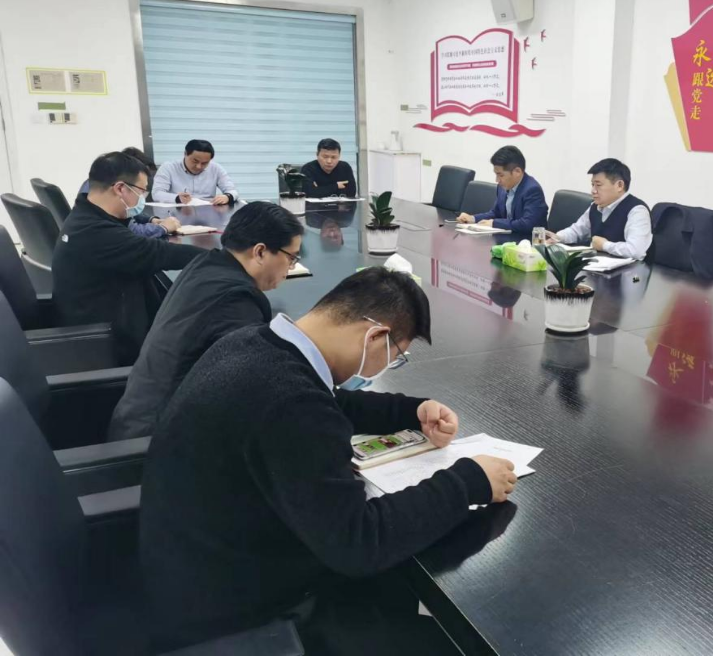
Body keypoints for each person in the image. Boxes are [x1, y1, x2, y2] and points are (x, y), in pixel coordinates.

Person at [140, 267, 518, 652]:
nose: (387, 366)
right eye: (396, 357)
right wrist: (468, 481)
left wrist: (411, 411)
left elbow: (328, 402)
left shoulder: (254, 342)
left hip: (195, 568)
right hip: (239, 612)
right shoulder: (292, 403)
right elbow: (359, 543)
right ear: (375, 337)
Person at [106, 201, 304, 442]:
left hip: (137, 419)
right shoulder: (236, 301)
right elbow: (252, 386)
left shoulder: (206, 266)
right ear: (260, 252)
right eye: (291, 257)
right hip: (157, 444)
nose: (290, 267)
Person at [53, 152, 205, 364]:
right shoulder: (96, 232)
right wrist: (223, 257)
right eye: (141, 191)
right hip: (110, 343)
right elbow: (158, 253)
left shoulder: (85, 216)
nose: (143, 199)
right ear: (120, 189)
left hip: (110, 315)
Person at [546, 158, 652, 260]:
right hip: (599, 265)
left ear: (619, 185)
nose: (593, 191)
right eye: (592, 185)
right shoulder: (595, 206)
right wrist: (558, 237)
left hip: (629, 270)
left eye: (598, 185)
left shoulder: (637, 210)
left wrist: (605, 245)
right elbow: (577, 231)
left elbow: (636, 250)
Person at [79, 147, 182, 238]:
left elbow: (130, 216)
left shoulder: (100, 182)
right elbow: (132, 231)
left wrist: (151, 219)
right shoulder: (105, 193)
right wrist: (163, 228)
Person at [456, 146, 549, 232]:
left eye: (501, 175)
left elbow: (528, 224)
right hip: (508, 238)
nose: (497, 180)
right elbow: (495, 213)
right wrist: (473, 218)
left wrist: (495, 223)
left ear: (517, 171)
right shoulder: (502, 187)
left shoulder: (532, 190)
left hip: (528, 242)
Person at [152, 139, 238, 205]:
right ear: (185, 154)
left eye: (204, 163)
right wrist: (177, 198)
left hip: (207, 212)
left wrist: (227, 197)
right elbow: (157, 193)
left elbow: (232, 191)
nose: (199, 166)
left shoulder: (216, 168)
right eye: (195, 161)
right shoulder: (168, 168)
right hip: (177, 212)